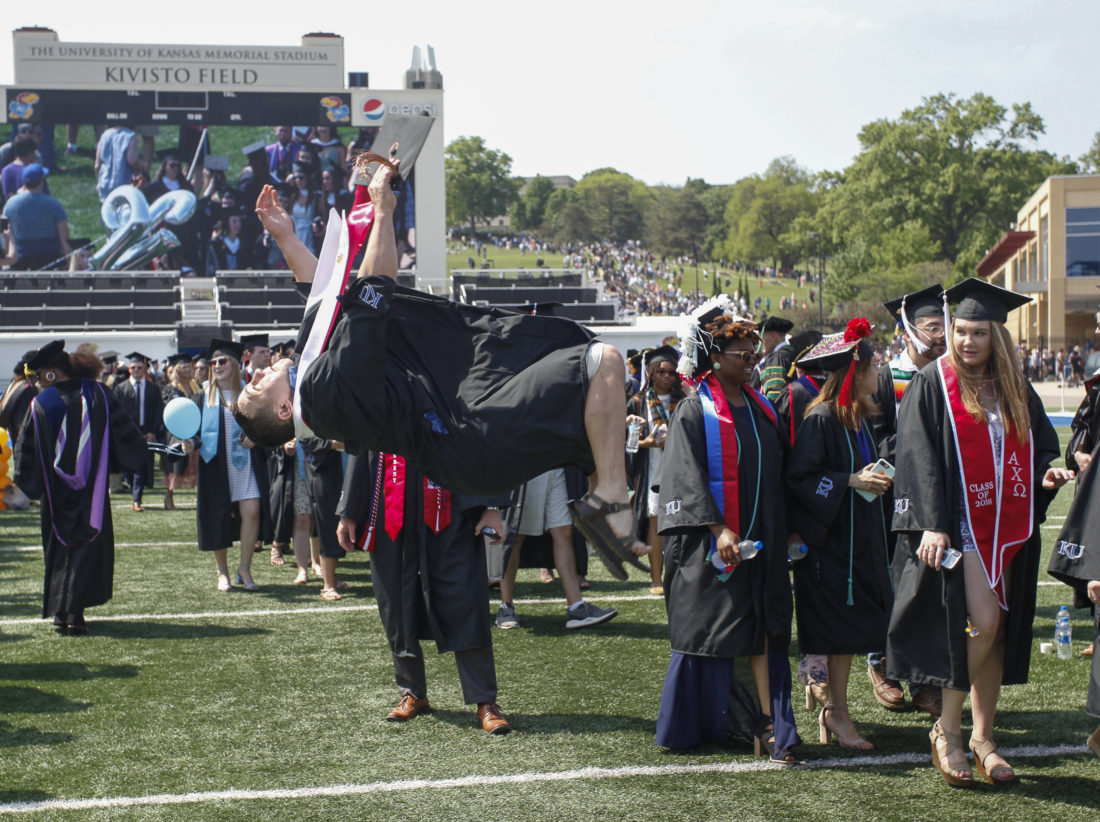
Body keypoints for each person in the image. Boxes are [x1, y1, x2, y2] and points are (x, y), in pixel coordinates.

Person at [233, 161, 649, 567]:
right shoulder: (324, 392)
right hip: (470, 428)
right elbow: (369, 295)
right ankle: (610, 496)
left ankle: (606, 503)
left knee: (590, 389)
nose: (256, 372)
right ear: (284, 409)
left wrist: (285, 236)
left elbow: (324, 296)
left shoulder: (312, 383)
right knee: (603, 362)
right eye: (255, 387)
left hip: (464, 426)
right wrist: (383, 211)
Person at [886, 278, 1072, 786]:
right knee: (984, 621)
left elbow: (1036, 449)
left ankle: (984, 737)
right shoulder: (935, 383)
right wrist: (931, 523)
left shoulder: (1013, 386)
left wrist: (1045, 474)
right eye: (960, 331)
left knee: (1002, 628)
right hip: (963, 525)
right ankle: (946, 730)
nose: (966, 341)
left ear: (998, 338)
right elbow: (917, 456)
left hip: (1008, 526)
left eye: (978, 333)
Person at [654, 301, 799, 763]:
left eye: (754, 351)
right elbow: (685, 476)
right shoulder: (695, 412)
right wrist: (718, 528)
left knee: (763, 630)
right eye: (743, 353)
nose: (752, 359)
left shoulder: (761, 410)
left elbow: (778, 474)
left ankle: (768, 724)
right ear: (714, 357)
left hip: (763, 541)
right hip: (709, 547)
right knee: (710, 631)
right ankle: (699, 722)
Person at [336, 451, 512, 733]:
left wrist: (490, 505)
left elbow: (477, 434)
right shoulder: (376, 404)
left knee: (465, 597)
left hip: (453, 504)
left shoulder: (453, 402)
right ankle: (413, 692)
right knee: (395, 599)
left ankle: (485, 701)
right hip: (390, 507)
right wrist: (349, 511)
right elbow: (362, 445)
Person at [786, 319, 894, 751]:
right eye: (874, 366)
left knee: (849, 634)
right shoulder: (821, 418)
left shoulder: (859, 419)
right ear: (856, 370)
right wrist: (850, 481)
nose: (879, 373)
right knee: (835, 634)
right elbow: (800, 479)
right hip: (829, 547)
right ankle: (837, 713)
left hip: (858, 540)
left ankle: (834, 706)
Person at [13, 341, 146, 634]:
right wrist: (135, 456)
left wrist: (29, 485)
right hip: (93, 490)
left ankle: (62, 613)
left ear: (50, 373)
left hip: (54, 493)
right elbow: (124, 434)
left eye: (39, 375)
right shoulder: (98, 393)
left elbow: (27, 452)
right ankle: (75, 613)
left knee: (60, 547)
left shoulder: (40, 404)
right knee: (87, 545)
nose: (36, 381)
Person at [865, 284, 947, 717]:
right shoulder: (886, 378)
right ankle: (882, 665)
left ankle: (924, 678)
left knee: (931, 588)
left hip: (939, 500)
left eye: (944, 327)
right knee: (893, 584)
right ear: (909, 329)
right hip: (892, 499)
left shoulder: (953, 376)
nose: (941, 336)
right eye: (932, 327)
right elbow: (876, 442)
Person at [177, 339, 272, 592]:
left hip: (246, 464)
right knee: (217, 516)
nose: (216, 366)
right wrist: (189, 444)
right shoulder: (203, 395)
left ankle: (245, 567)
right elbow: (195, 433)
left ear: (234, 364)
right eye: (213, 362)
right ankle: (222, 572)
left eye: (222, 361)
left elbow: (266, 427)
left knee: (252, 512)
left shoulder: (250, 391)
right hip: (215, 465)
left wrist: (256, 438)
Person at [495, 468, 615, 629]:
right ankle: (506, 607)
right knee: (515, 533)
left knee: (563, 531)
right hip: (526, 463)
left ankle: (576, 607)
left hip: (558, 464)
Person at [627, 345, 688, 594]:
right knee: (656, 522)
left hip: (680, 467)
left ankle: (681, 576)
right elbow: (629, 446)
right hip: (652, 466)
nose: (666, 376)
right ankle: (656, 579)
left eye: (672, 373)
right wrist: (648, 443)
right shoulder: (638, 403)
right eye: (661, 371)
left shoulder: (684, 401)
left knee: (681, 520)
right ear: (651, 372)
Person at [110, 352, 163, 513]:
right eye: (133, 367)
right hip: (127, 433)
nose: (136, 370)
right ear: (129, 369)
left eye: (140, 367)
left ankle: (136, 499)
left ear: (145, 368)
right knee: (130, 469)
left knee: (140, 466)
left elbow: (158, 411)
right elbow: (115, 412)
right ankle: (135, 494)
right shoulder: (120, 388)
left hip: (145, 432)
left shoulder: (153, 388)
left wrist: (154, 431)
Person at [2, 164, 70, 270]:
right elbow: (64, 236)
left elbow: (4, 233)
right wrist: (70, 262)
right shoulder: (54, 204)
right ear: (42, 181)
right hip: (51, 260)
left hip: (20, 262)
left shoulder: (10, 204)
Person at [161, 353, 200, 509]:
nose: (187, 369)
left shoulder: (195, 385)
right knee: (175, 467)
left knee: (196, 465)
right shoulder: (170, 387)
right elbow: (170, 404)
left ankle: (199, 497)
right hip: (176, 431)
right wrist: (175, 383)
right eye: (183, 366)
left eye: (189, 366)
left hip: (194, 429)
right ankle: (168, 497)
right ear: (177, 369)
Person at [751, 316, 794, 402]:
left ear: (774, 336)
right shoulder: (791, 353)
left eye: (761, 337)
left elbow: (774, 395)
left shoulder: (777, 357)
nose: (760, 342)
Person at [94, 126, 142, 201]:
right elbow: (132, 161)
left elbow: (97, 165)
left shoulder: (104, 135)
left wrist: (99, 183)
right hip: (123, 183)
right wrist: (142, 165)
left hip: (105, 183)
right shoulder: (130, 136)